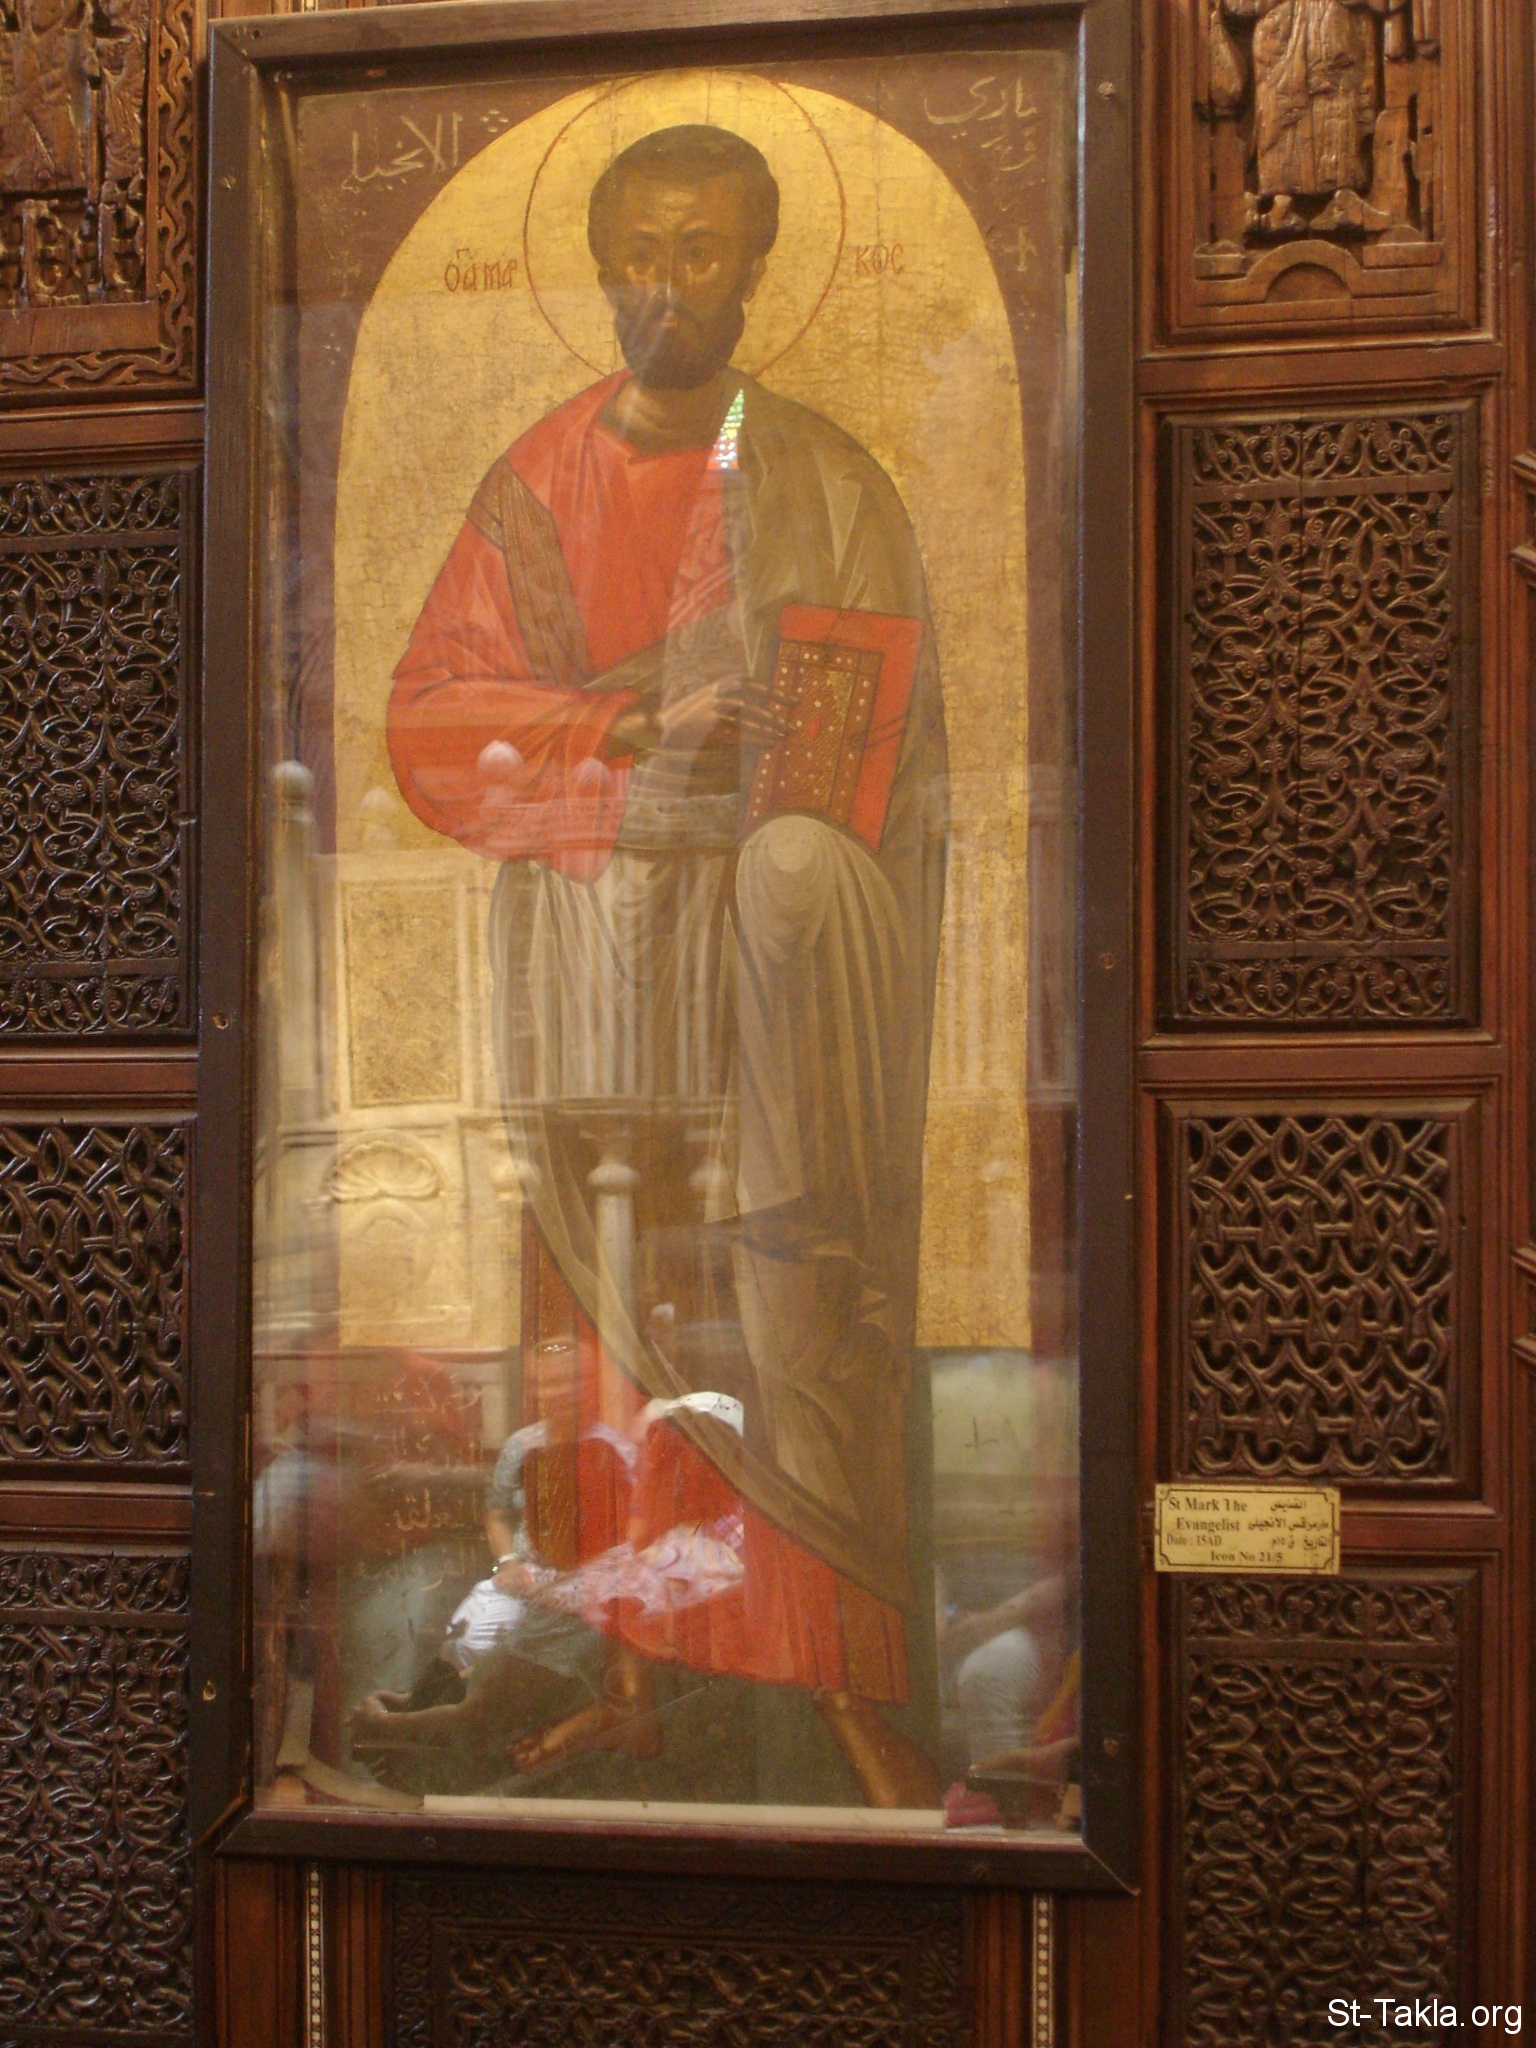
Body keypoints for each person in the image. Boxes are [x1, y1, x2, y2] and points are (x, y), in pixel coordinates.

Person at [387, 123, 949, 1805]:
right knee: (612, 1326)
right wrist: (631, 722)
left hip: (780, 980)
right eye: (637, 251)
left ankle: (835, 1675)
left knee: (783, 1312)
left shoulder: (827, 479)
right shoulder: (538, 479)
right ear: (597, 264)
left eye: (699, 251)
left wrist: (786, 799)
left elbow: (892, 747)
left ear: (756, 266)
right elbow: (430, 720)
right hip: (599, 958)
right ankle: (633, 1684)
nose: (664, 286)